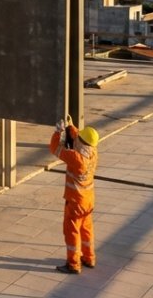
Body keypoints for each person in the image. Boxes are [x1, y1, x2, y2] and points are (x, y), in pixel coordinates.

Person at [50, 115, 99, 274]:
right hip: (88, 200)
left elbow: (55, 149)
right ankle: (89, 257)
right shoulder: (93, 153)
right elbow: (80, 138)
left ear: (82, 142)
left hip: (75, 202)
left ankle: (73, 264)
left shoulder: (76, 158)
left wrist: (58, 133)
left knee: (72, 232)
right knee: (86, 230)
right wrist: (71, 127)